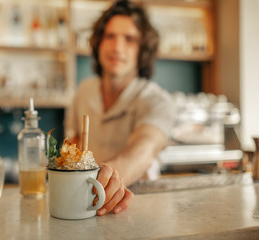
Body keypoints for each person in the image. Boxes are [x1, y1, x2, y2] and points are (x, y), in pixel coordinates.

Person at [65, 0, 176, 216]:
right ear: (98, 43)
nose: (117, 47)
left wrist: (110, 175)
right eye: (110, 36)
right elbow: (73, 145)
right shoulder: (83, 92)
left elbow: (144, 147)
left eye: (130, 39)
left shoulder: (158, 100)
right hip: (88, 204)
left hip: (140, 210)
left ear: (142, 50)